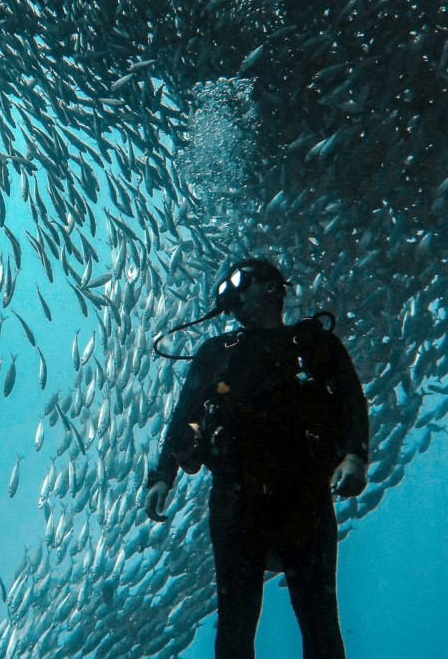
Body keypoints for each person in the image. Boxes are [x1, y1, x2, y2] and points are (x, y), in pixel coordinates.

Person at [145, 259, 369, 659]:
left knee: (320, 623)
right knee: (235, 626)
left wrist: (355, 456)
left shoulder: (314, 344)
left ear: (271, 286)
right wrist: (162, 476)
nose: (231, 296)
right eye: (225, 291)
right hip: (235, 501)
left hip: (305, 498)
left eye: (240, 282)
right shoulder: (216, 353)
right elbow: (184, 414)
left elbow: (352, 399)